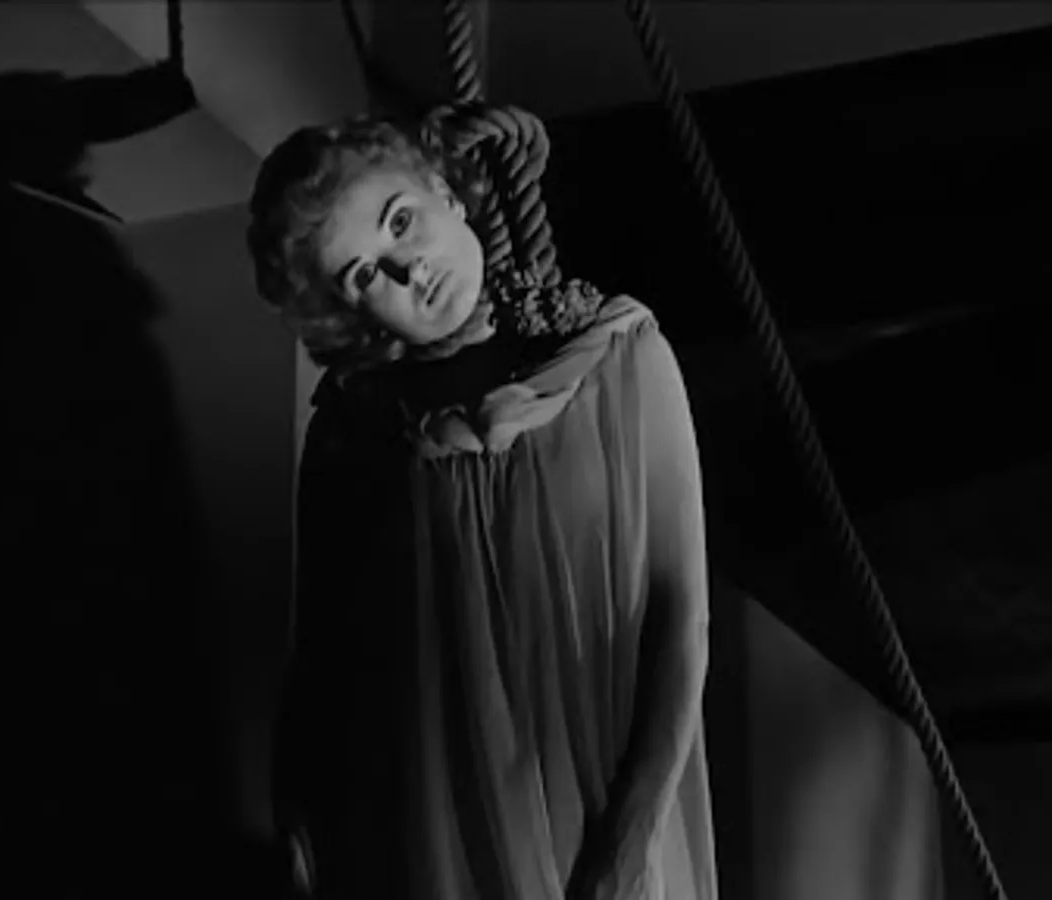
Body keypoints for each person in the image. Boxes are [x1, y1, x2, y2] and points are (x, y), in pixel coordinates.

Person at [246, 114, 716, 900]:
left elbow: (681, 617)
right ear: (348, 311)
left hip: (597, 791)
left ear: (445, 192)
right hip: (430, 818)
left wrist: (632, 837)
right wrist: (295, 815)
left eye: (401, 222)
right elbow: (321, 651)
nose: (406, 271)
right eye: (363, 274)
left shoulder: (619, 355)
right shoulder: (354, 430)